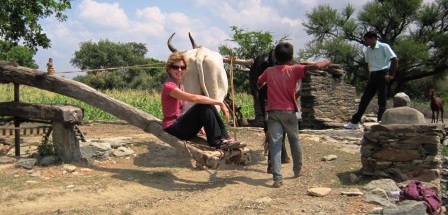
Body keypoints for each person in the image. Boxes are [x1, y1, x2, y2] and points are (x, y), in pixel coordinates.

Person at [257, 42, 331, 188]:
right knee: (294, 140)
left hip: (272, 113)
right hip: (289, 112)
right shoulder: (295, 70)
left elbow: (259, 83)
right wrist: (327, 62)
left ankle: (277, 178)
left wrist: (263, 85)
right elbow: (316, 66)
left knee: (276, 144)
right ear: (291, 58)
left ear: (275, 57)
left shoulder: (269, 71)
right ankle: (297, 170)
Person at [161, 51, 245, 150]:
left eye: (182, 67)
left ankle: (225, 138)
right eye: (176, 67)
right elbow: (193, 98)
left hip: (181, 125)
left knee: (208, 105)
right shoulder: (169, 86)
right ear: (169, 69)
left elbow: (183, 111)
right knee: (204, 105)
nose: (179, 70)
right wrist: (219, 102)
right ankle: (216, 141)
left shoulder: (181, 86)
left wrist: (198, 124)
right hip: (173, 128)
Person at [344, 31, 399, 129]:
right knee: (365, 98)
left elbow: (395, 59)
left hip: (383, 73)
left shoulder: (384, 46)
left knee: (382, 99)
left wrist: (391, 75)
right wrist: (369, 75)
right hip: (373, 75)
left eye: (367, 40)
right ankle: (355, 122)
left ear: (373, 38)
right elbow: (368, 63)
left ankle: (381, 121)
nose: (365, 42)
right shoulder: (369, 50)